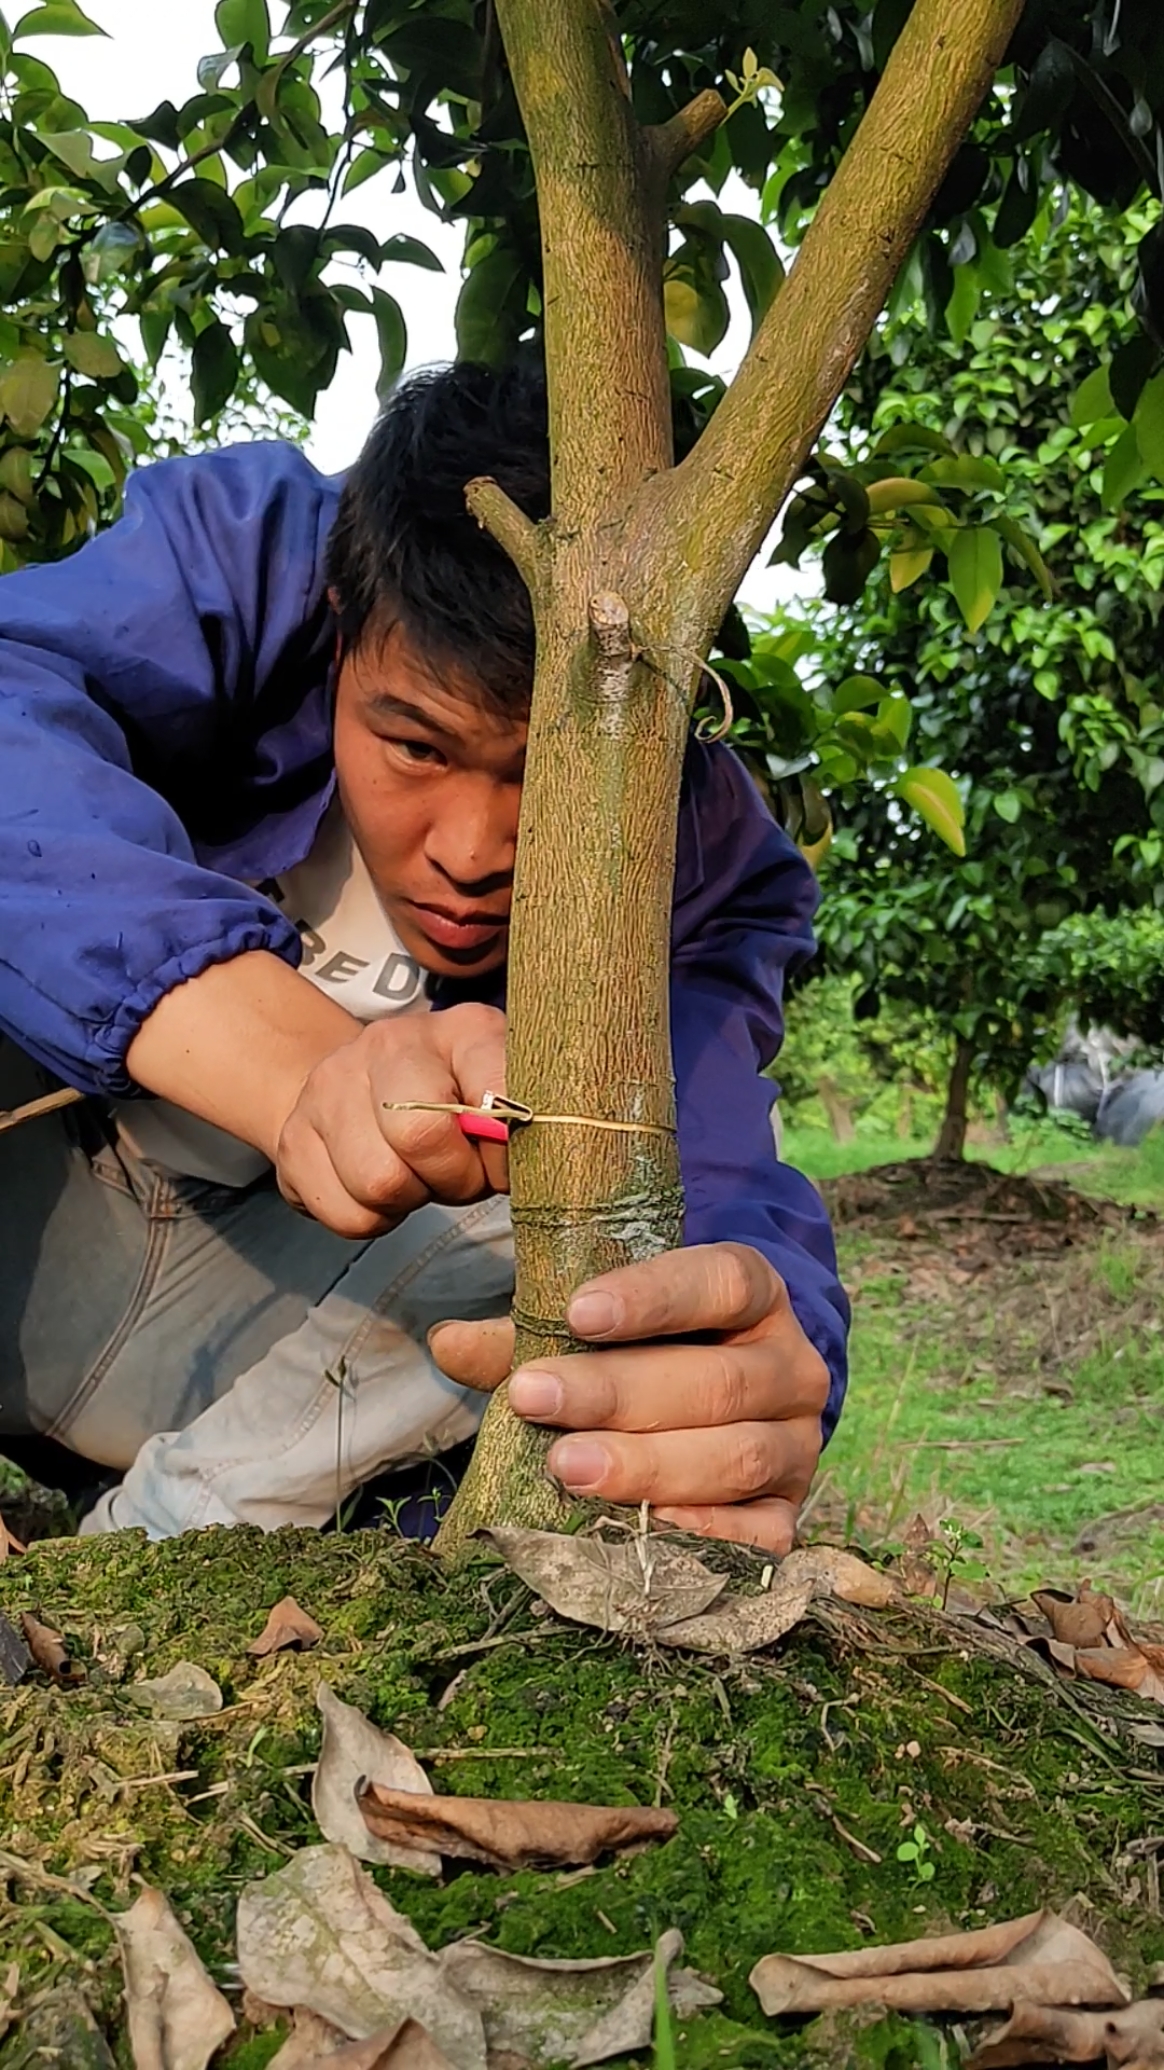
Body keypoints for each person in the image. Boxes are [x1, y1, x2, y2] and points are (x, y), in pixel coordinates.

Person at [0, 358, 848, 1553]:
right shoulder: (252, 561)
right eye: (415, 748)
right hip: (36, 1201)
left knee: (598, 1225)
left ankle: (150, 1555)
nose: (474, 851)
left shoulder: (703, 865)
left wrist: (763, 1359)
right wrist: (294, 1068)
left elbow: (711, 1181)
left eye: (545, 779)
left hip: (263, 1363)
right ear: (342, 627)